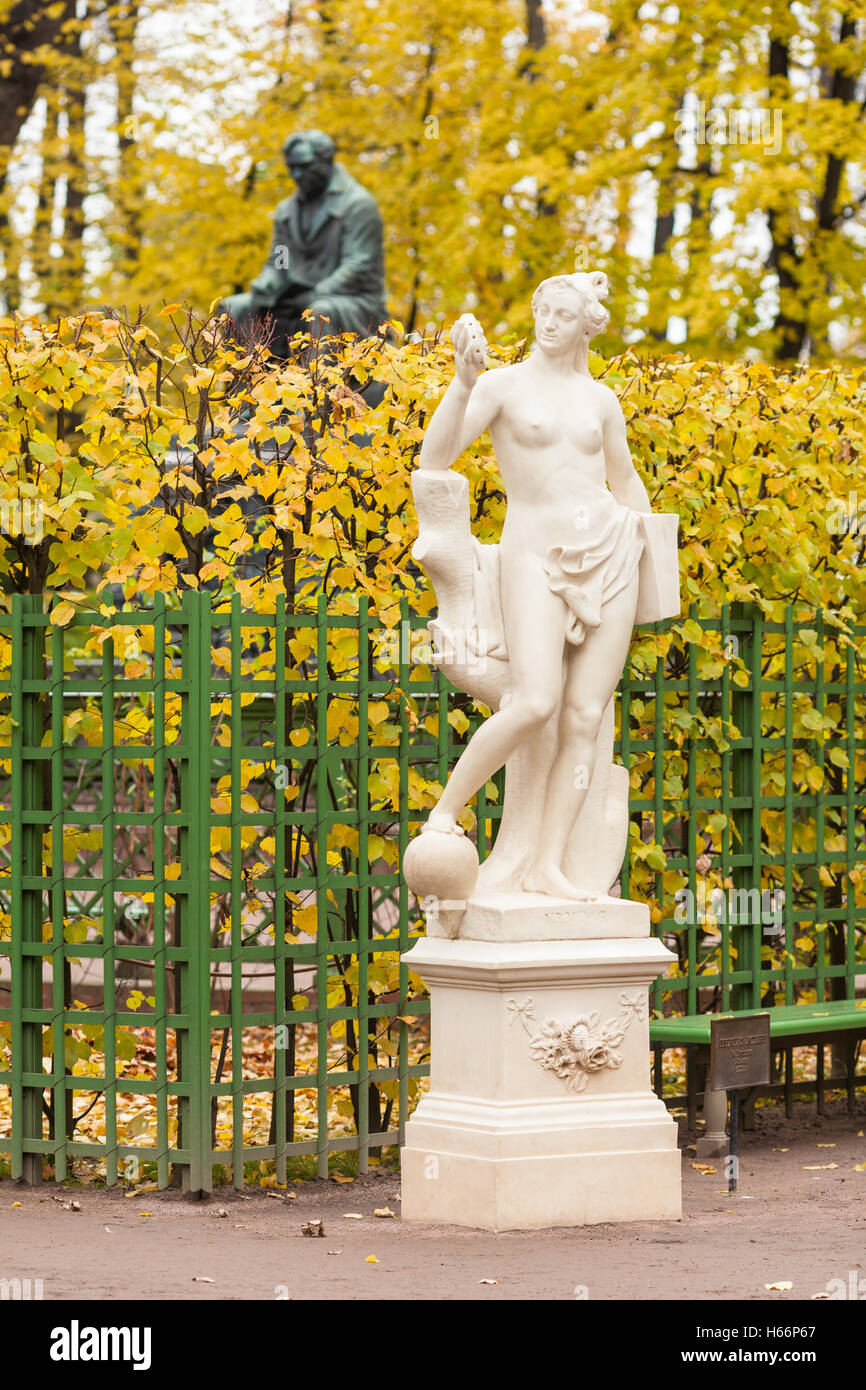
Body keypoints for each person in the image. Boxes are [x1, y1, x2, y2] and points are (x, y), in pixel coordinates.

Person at [415, 271, 652, 901]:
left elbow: (625, 482)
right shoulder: (501, 385)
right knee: (535, 701)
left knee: (584, 715)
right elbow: (434, 459)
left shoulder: (600, 399)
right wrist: (462, 385)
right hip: (534, 555)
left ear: (584, 326)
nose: (548, 323)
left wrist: (657, 558)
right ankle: (445, 812)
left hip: (610, 550)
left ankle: (550, 865)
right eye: (542, 311)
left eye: (563, 315)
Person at [221, 130, 386, 355]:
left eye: (305, 166)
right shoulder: (286, 211)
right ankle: (243, 387)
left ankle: (317, 389)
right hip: (297, 298)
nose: (297, 174)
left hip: (351, 301)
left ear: (325, 161)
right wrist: (269, 282)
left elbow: (358, 264)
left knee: (318, 312)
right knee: (235, 308)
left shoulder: (358, 204)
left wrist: (316, 293)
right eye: (292, 168)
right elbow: (279, 262)